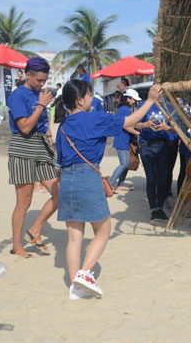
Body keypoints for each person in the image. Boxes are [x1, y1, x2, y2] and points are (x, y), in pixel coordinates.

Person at [57, 79, 161, 299]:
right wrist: (151, 100)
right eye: (89, 95)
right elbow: (130, 120)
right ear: (80, 100)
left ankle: (74, 288)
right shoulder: (94, 117)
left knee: (74, 237)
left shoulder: (64, 125)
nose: (92, 98)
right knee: (103, 230)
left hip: (67, 179)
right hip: (87, 176)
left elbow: (61, 159)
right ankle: (84, 274)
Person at [6, 57, 59, 258]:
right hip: (22, 145)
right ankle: (17, 245)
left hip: (41, 145)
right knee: (24, 202)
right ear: (28, 74)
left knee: (60, 192)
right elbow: (25, 127)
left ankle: (34, 229)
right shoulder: (17, 96)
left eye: (44, 80)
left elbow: (43, 123)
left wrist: (49, 137)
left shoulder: (40, 94)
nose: (42, 84)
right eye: (39, 80)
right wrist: (40, 106)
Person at [135, 102, 174, 222]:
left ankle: (160, 208)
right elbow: (135, 124)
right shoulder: (145, 104)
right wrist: (146, 124)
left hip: (163, 144)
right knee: (151, 178)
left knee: (162, 179)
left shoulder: (170, 106)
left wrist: (166, 128)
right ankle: (153, 209)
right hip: (147, 144)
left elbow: (178, 128)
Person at [109, 89, 141, 191]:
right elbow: (125, 126)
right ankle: (110, 184)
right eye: (133, 100)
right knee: (124, 164)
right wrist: (137, 133)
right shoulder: (125, 110)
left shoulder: (123, 109)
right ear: (128, 99)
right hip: (121, 140)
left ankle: (120, 184)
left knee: (125, 164)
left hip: (123, 139)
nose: (135, 102)